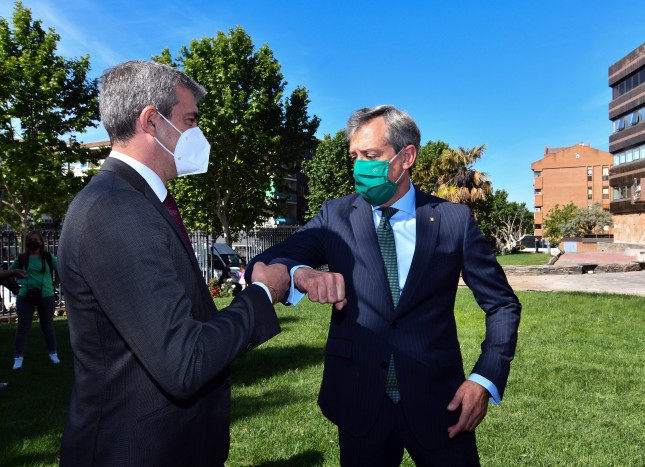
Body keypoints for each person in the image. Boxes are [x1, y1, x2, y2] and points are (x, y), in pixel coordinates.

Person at [247, 105, 522, 466]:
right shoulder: (335, 216)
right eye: (355, 157)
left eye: (371, 155)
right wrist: (302, 274)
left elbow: (502, 304)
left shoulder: (455, 221)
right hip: (360, 403)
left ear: (406, 156)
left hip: (441, 403)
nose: (360, 167)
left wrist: (484, 379)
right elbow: (264, 263)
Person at [58, 60, 289, 466]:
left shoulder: (136, 200)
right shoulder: (116, 209)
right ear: (152, 121)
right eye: (190, 119)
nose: (198, 133)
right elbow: (185, 361)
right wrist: (262, 293)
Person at [10, 231, 60, 370]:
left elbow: (61, 272)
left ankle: (53, 353)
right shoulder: (21, 258)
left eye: (35, 239)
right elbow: (10, 272)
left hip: (46, 295)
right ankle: (18, 357)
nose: (33, 241)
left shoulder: (48, 257)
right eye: (30, 239)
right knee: (22, 327)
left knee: (48, 326)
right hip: (25, 296)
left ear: (41, 242)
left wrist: (53, 286)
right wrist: (17, 286)